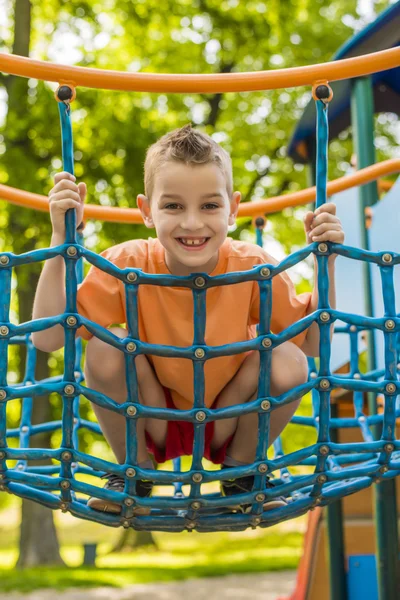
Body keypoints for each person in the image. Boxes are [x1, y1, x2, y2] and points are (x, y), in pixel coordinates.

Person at [32, 124, 345, 515]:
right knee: (104, 345)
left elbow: (313, 345)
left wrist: (324, 265)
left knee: (289, 358)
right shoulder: (128, 265)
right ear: (147, 211)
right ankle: (133, 472)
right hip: (150, 415)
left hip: (231, 418)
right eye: (174, 206)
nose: (193, 223)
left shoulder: (253, 267)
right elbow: (46, 338)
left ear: (233, 209)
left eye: (210, 206)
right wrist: (60, 242)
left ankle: (243, 472)